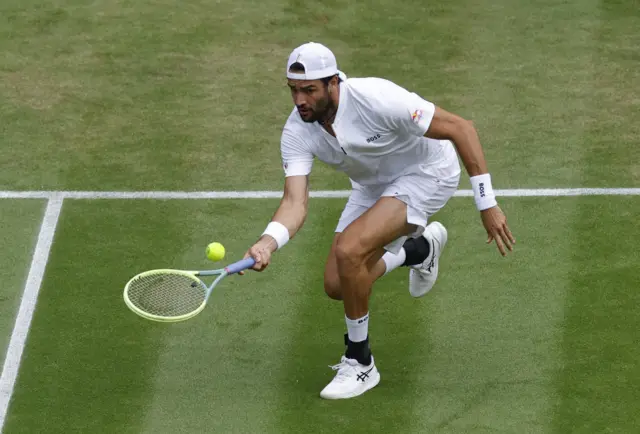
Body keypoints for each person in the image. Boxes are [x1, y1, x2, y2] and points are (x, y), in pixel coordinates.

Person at [242, 42, 515, 400]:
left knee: (351, 248)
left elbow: (461, 128)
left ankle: (360, 362)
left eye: (309, 90)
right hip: (374, 187)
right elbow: (295, 202)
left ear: (333, 83)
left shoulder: (375, 97)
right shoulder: (297, 131)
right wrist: (268, 242)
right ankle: (418, 251)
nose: (299, 100)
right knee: (338, 285)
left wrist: (486, 203)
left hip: (428, 172)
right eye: (293, 90)